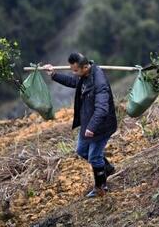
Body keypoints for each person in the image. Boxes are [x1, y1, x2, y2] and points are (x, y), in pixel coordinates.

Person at [46, 53, 118, 197]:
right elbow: (73, 81)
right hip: (88, 121)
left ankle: (101, 187)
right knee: (81, 150)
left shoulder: (99, 82)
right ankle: (106, 168)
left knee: (94, 157)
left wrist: (92, 127)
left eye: (75, 70)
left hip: (101, 126)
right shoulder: (83, 75)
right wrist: (54, 75)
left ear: (85, 67)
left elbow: (102, 108)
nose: (74, 73)